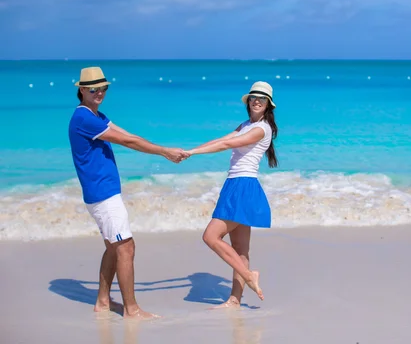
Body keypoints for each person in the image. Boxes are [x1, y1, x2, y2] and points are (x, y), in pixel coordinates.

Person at [68, 66, 188, 319]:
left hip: (102, 192)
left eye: (103, 88)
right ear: (81, 90)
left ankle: (102, 301)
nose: (100, 92)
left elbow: (127, 134)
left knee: (114, 247)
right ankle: (131, 309)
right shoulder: (84, 118)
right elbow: (127, 142)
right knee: (126, 248)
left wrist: (163, 147)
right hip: (102, 194)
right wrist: (164, 151)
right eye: (94, 89)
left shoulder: (97, 116)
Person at [185, 81, 279, 306]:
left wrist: (193, 152)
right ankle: (235, 300)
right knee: (240, 249)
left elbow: (227, 144)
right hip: (236, 185)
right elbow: (221, 139)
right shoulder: (246, 124)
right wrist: (191, 150)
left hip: (243, 187)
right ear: (248, 101)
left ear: (268, 105)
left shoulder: (261, 129)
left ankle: (249, 276)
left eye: (262, 98)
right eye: (254, 97)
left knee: (210, 236)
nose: (257, 101)